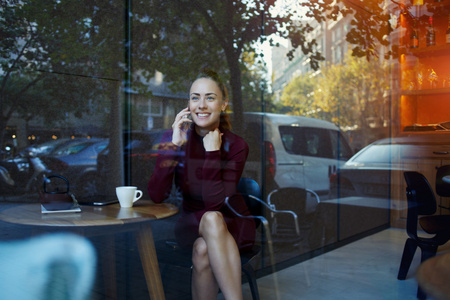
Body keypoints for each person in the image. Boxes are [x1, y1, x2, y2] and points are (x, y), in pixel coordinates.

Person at [147, 68, 255, 300]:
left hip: (231, 221)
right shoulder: (175, 138)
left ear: (223, 104)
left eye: (210, 97)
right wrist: (173, 147)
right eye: (195, 97)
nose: (201, 105)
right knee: (209, 220)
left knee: (202, 249)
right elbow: (157, 194)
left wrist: (212, 151)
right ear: (188, 104)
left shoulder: (237, 145)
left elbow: (215, 202)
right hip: (191, 222)